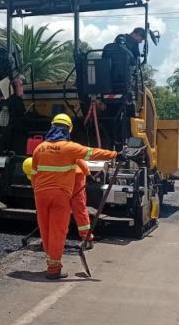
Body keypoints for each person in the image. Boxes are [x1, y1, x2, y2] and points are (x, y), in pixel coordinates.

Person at [31, 113, 117, 279]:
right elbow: (92, 153)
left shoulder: (39, 148)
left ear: (52, 127)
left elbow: (34, 174)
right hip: (60, 195)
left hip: (40, 194)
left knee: (46, 229)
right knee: (58, 230)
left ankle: (50, 262)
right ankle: (53, 269)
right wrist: (115, 154)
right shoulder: (69, 148)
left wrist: (39, 190)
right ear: (68, 130)